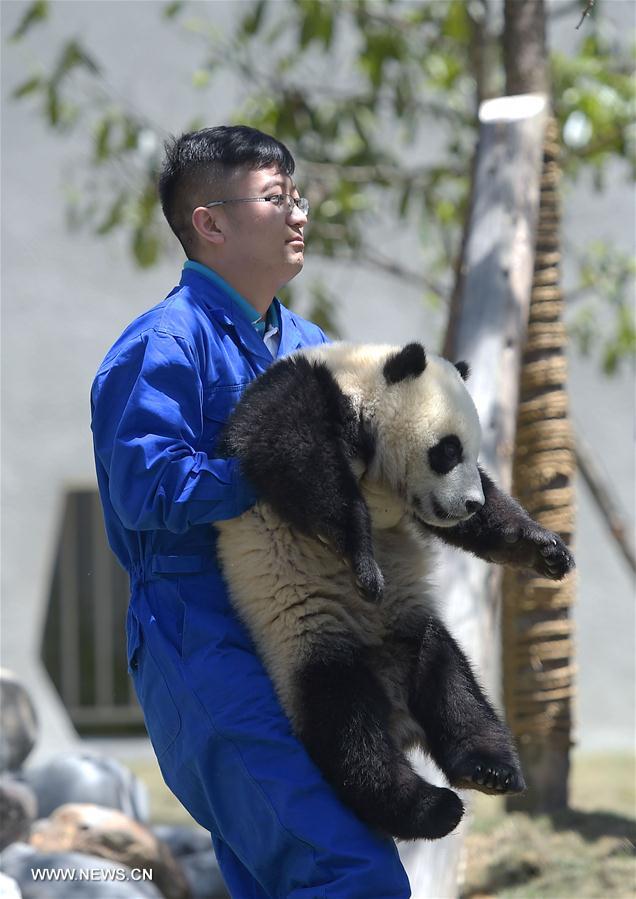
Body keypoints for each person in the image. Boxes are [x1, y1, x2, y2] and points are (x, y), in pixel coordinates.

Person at [91, 125, 411, 898]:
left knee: (283, 878)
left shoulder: (308, 346)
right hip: (201, 646)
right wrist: (280, 470)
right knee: (352, 873)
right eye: (277, 198)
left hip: (307, 647)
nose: (299, 213)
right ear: (211, 222)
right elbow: (148, 489)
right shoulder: (164, 343)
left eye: (297, 196)